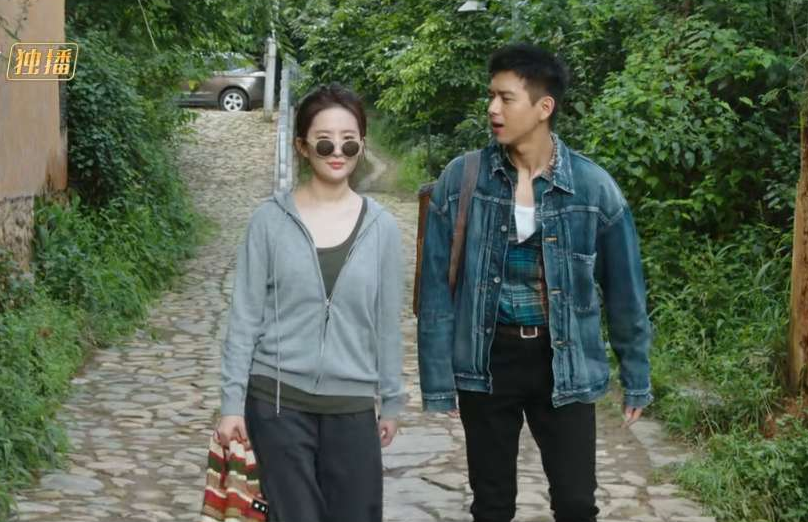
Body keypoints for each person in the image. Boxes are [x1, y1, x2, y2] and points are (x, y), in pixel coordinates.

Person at [416, 43, 653, 522]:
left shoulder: (593, 188)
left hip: (563, 360)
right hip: (488, 358)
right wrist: (439, 380)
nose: (492, 109)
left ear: (544, 107)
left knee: (576, 503)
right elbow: (436, 289)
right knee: (492, 504)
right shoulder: (463, 179)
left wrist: (636, 376)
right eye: (491, 96)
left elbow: (626, 291)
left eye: (506, 98)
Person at [215, 83, 407, 522]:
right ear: (302, 146)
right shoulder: (268, 221)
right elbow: (244, 318)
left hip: (352, 407)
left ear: (362, 143)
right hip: (276, 403)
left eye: (349, 140)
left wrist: (392, 400)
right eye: (324, 140)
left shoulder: (382, 228)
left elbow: (386, 323)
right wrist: (231, 405)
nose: (337, 151)